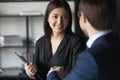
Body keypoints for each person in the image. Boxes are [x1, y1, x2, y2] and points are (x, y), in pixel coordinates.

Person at [47, 0, 120, 80]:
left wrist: (51, 74)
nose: (60, 21)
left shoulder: (89, 58)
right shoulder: (115, 42)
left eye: (64, 17)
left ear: (83, 17)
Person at [24, 0, 86, 80]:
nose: (60, 22)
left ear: (69, 19)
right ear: (48, 18)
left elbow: (79, 76)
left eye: (64, 17)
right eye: (55, 16)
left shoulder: (76, 42)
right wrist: (30, 73)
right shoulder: (40, 42)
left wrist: (64, 74)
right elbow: (37, 75)